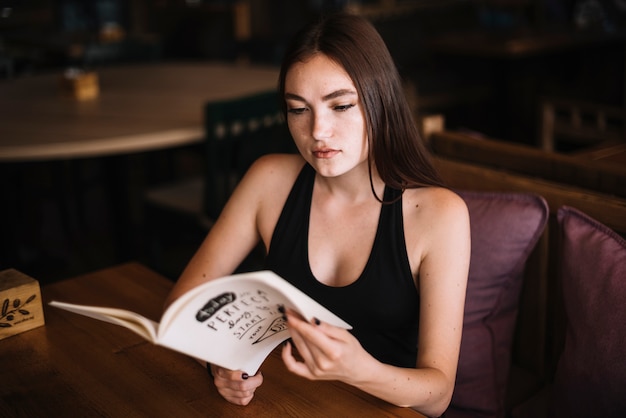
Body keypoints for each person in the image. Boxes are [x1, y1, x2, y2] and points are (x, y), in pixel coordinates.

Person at [164, 11, 470, 417]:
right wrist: (218, 362)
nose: (318, 131)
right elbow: (182, 304)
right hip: (284, 403)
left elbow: (438, 395)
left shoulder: (438, 215)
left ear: (381, 101)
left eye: (340, 105)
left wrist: (361, 370)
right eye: (298, 109)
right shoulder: (268, 181)